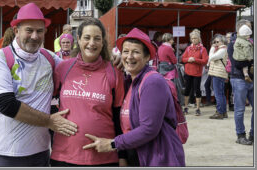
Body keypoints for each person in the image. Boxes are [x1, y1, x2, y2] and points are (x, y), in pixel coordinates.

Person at [0, 3, 78, 167]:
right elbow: (7, 105)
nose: (34, 36)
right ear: (16, 31)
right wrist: (49, 121)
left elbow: (78, 71)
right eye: (29, 30)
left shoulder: (49, 58)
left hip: (40, 152)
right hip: (5, 154)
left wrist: (113, 63)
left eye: (39, 31)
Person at [82, 28, 185, 167]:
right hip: (137, 155)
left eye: (136, 52)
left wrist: (112, 144)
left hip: (157, 157)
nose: (129, 57)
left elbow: (149, 129)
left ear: (147, 57)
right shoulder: (130, 81)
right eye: (125, 51)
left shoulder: (152, 82)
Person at [50, 18, 125, 166]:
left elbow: (119, 118)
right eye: (87, 37)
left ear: (103, 42)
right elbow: (47, 101)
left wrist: (122, 155)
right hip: (64, 156)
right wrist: (50, 120)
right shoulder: (63, 68)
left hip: (104, 158)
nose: (92, 43)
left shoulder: (114, 71)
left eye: (97, 38)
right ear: (78, 39)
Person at [228, 19, 254, 145]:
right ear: (239, 28)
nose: (250, 30)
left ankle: (253, 134)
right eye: (248, 27)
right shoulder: (233, 43)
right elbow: (237, 63)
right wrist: (251, 62)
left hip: (252, 78)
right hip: (239, 79)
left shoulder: (249, 41)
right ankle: (240, 135)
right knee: (240, 109)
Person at [181, 29, 208, 116]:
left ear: (199, 39)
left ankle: (198, 108)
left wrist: (195, 60)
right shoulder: (188, 48)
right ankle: (185, 107)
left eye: (195, 38)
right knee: (187, 90)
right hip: (188, 72)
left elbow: (205, 61)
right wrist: (188, 59)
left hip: (197, 73)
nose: (193, 40)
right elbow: (183, 59)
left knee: (197, 90)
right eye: (192, 38)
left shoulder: (202, 49)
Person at [207, 34, 229, 119]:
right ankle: (223, 112)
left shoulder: (222, 50)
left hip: (218, 73)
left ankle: (220, 112)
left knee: (218, 94)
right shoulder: (220, 49)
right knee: (221, 94)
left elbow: (211, 57)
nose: (215, 43)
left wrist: (212, 48)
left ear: (222, 42)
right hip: (218, 73)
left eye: (217, 41)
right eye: (214, 41)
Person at [225, 32, 233, 111]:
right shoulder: (223, 47)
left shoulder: (234, 46)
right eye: (227, 37)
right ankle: (223, 107)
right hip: (224, 71)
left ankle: (231, 105)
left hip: (232, 70)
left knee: (231, 89)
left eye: (230, 37)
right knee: (224, 89)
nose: (228, 39)